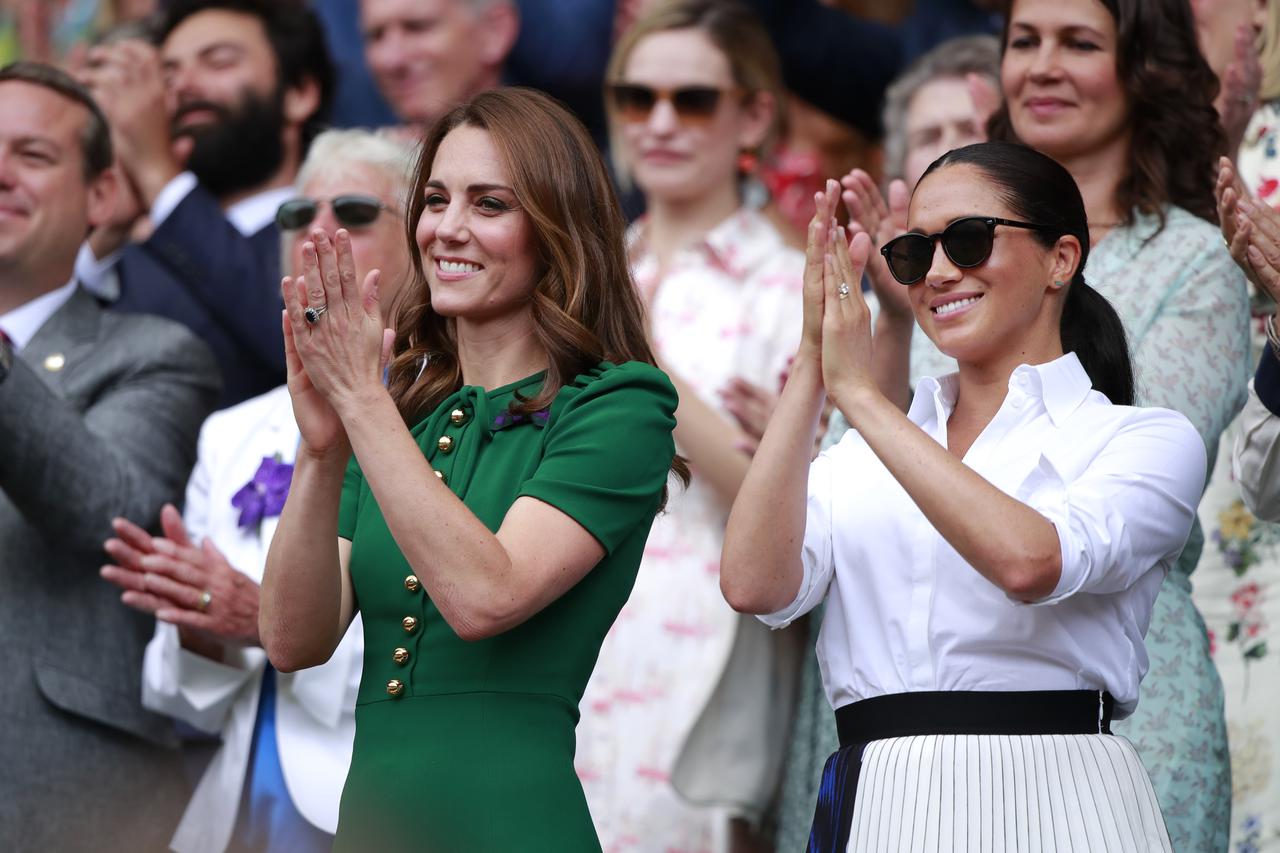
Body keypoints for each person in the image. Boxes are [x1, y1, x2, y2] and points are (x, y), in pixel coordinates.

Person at [722, 141, 1204, 852]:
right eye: (916, 253)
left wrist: (860, 392)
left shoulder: (1143, 438)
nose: (940, 272)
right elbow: (754, 582)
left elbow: (1030, 561)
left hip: (1061, 796)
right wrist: (813, 365)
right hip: (880, 796)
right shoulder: (862, 453)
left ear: (1061, 259)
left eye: (970, 240)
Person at [258, 86, 683, 851]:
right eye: (435, 200)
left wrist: (361, 402)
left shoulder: (620, 405)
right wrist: (320, 451)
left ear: (556, 229)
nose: (446, 229)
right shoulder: (400, 413)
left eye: (489, 204)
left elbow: (486, 595)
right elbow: (292, 639)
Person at [98, 129, 417, 853]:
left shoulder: (458, 412)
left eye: (357, 212)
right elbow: (179, 695)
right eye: (297, 214)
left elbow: (461, 635)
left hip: (385, 803)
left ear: (425, 240)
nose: (318, 233)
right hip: (236, 805)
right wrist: (195, 617)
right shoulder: (231, 432)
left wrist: (268, 619)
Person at [571, 3, 805, 847]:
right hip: (557, 645)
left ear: (754, 113)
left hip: (703, 659)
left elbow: (796, 521)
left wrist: (639, 365)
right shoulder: (578, 278)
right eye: (637, 97)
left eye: (693, 100)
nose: (660, 122)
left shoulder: (790, 291)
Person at [0, 61, 220, 851]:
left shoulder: (152, 351)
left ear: (100, 195)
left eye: (30, 154)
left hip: (57, 789)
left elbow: (113, 511)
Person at [77, 0, 334, 406]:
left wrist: (160, 178)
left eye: (218, 62)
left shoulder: (342, 222)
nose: (184, 86)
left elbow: (308, 350)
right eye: (168, 73)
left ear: (299, 93)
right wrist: (106, 235)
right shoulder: (146, 239)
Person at [359, 0, 518, 129]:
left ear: (494, 31)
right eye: (376, 35)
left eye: (417, 27)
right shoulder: (361, 161)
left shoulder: (537, 158)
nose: (392, 60)